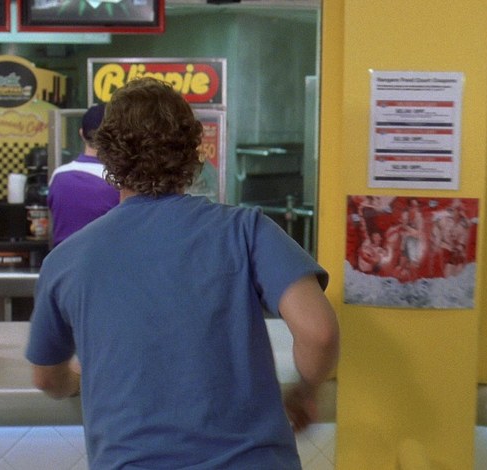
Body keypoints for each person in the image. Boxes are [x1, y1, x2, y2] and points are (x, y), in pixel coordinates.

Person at [26, 77, 340, 469]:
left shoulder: (67, 259)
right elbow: (319, 333)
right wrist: (305, 390)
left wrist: (76, 376)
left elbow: (46, 378)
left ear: (108, 156)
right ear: (193, 151)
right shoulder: (246, 230)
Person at [47, 103, 120, 246]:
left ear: (81, 133)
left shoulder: (58, 176)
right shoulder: (119, 181)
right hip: (103, 257)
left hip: (61, 258)